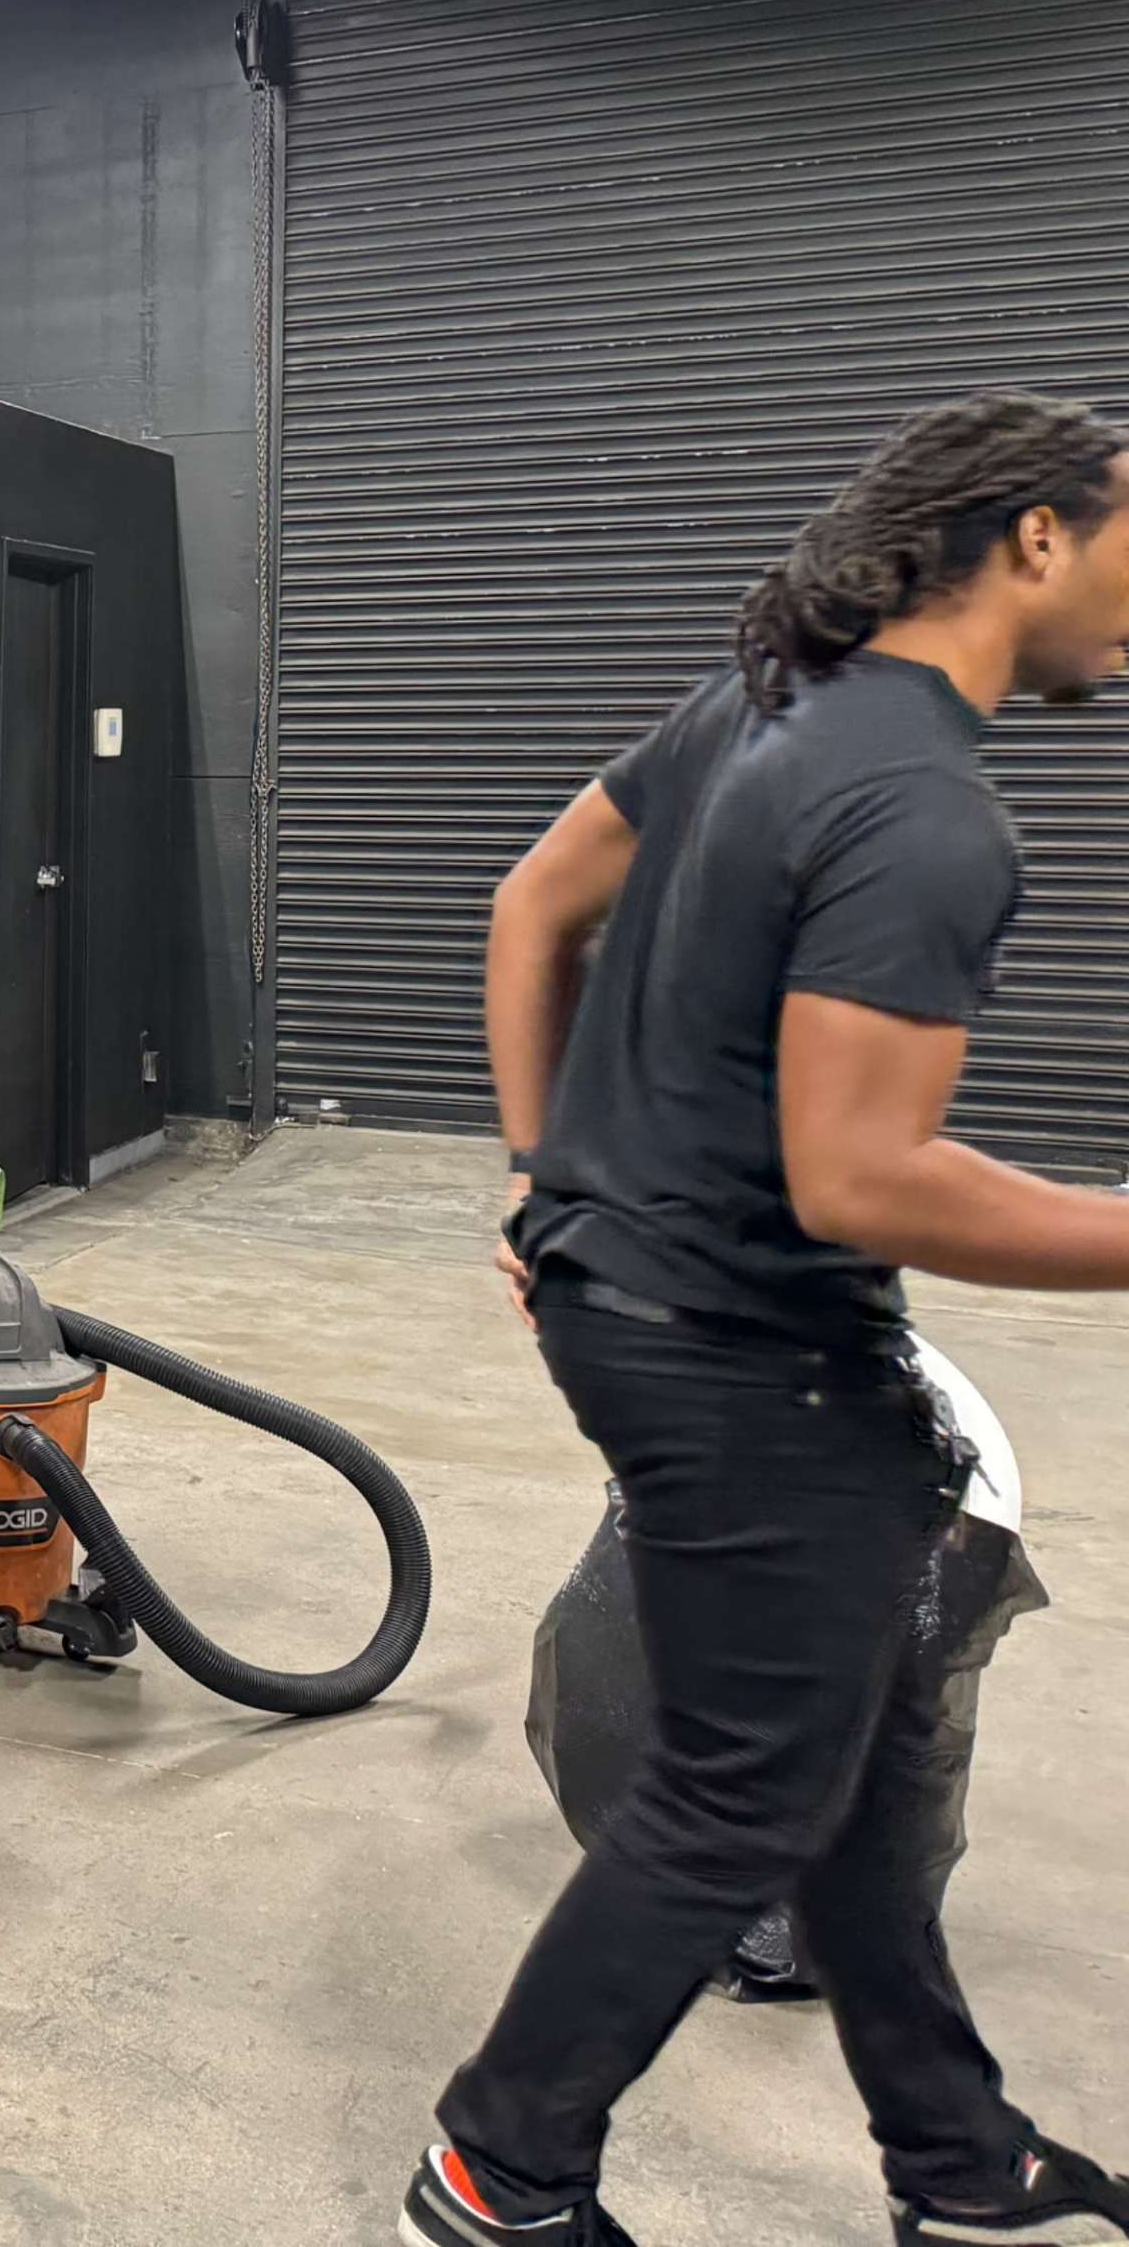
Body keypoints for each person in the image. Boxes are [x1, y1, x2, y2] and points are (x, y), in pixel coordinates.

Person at [404, 391, 1129, 2247]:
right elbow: (863, 1177)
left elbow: (530, 902)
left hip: (641, 1298)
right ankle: (502, 2171)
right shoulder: (922, 806)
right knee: (737, 1797)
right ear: (1035, 535)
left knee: (859, 1747)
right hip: (744, 1352)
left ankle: (960, 2166)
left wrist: (531, 1166)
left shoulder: (761, 708)